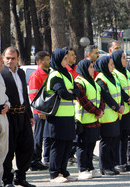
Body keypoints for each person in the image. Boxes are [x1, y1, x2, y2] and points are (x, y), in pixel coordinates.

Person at [43, 48, 80, 183]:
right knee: (58, 146)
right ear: (58, 59)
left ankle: (63, 171)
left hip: (68, 116)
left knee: (67, 144)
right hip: (57, 117)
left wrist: (72, 92)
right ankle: (54, 174)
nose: (67, 60)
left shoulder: (67, 74)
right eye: (64, 58)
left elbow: (78, 91)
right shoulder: (55, 75)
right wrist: (72, 93)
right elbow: (63, 93)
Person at [1, 47, 36, 187]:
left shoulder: (21, 73)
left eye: (13, 58)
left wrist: (30, 115)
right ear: (3, 59)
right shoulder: (1, 74)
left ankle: (21, 176)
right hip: (9, 116)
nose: (10, 61)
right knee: (9, 149)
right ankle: (7, 180)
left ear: (18, 59)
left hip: (23, 115)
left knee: (27, 146)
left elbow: (25, 97)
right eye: (7, 58)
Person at [74, 59, 104, 179]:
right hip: (83, 120)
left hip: (94, 119)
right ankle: (82, 169)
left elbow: (100, 98)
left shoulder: (93, 81)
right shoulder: (79, 82)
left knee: (91, 144)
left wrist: (100, 110)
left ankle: (90, 167)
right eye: (90, 67)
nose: (93, 69)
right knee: (82, 145)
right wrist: (97, 111)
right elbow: (83, 100)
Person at [94, 56, 124, 175]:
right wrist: (117, 107)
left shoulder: (114, 77)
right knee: (106, 141)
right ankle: (104, 167)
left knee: (114, 141)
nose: (113, 66)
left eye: (112, 64)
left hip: (116, 115)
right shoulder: (101, 79)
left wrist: (121, 105)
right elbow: (106, 96)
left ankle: (111, 165)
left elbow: (119, 92)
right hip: (107, 115)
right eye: (110, 64)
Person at [112, 50, 130, 172]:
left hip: (129, 109)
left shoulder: (127, 72)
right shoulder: (115, 73)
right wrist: (128, 100)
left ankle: (124, 161)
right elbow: (119, 90)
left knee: (125, 137)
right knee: (118, 137)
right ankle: (117, 162)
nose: (125, 59)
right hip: (120, 110)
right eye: (123, 57)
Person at [28, 51, 51, 171]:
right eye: (47, 59)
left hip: (47, 111)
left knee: (46, 136)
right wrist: (39, 111)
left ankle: (42, 159)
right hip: (40, 113)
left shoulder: (48, 73)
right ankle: (34, 161)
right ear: (41, 61)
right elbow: (33, 95)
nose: (49, 61)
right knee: (38, 137)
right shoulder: (36, 75)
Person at [0, 51, 10, 187]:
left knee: (2, 152)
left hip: (3, 116)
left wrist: (8, 105)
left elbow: (5, 95)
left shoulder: (0, 76)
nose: (2, 62)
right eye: (0, 59)